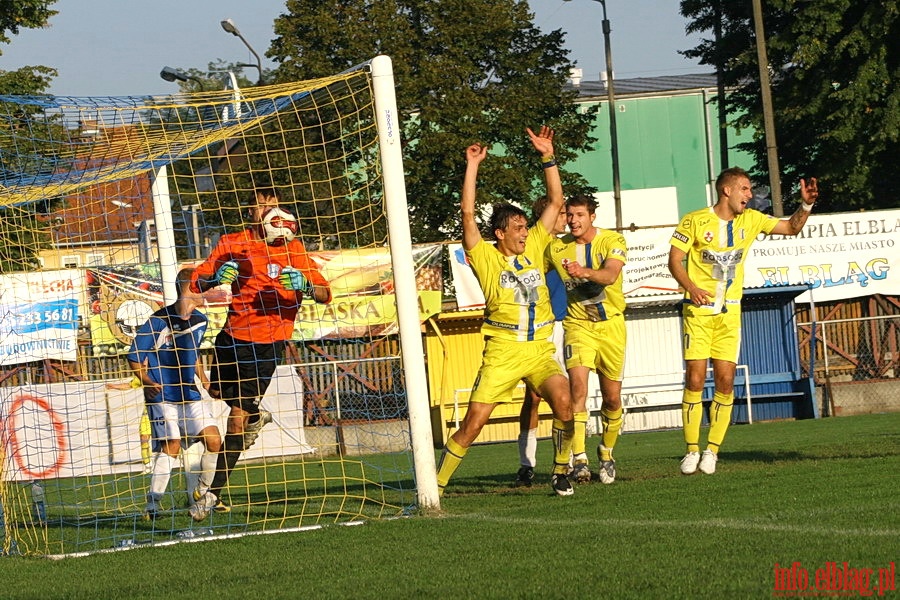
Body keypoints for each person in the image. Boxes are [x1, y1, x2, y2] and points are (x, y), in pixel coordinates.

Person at [436, 126, 576, 497]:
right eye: (516, 228)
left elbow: (556, 198)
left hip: (539, 350)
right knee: (473, 424)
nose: (524, 232)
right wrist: (472, 165)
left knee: (564, 401)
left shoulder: (535, 244)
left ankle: (561, 471)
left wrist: (548, 156)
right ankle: (435, 486)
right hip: (502, 352)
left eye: (524, 226)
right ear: (499, 234)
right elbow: (467, 214)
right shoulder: (484, 256)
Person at [667, 168, 818, 475]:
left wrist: (805, 206)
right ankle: (691, 449)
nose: (751, 196)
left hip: (730, 313)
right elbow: (674, 259)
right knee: (695, 378)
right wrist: (692, 287)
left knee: (725, 381)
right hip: (698, 312)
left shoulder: (750, 220)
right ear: (727, 191)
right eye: (746, 190)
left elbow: (790, 228)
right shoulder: (695, 220)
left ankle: (712, 451)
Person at [191, 187, 332, 514]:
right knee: (216, 393)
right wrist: (214, 277)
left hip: (268, 343)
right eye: (262, 206)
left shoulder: (293, 249)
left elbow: (326, 293)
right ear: (251, 211)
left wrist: (307, 286)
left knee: (236, 420)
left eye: (276, 206)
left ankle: (213, 493)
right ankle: (257, 414)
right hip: (231, 335)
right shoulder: (232, 242)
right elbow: (197, 282)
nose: (271, 212)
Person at [126, 267, 222, 521]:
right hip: (162, 395)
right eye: (203, 286)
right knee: (172, 445)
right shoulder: (157, 321)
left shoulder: (201, 320)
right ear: (190, 286)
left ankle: (203, 494)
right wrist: (146, 379)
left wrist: (203, 379)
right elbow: (135, 356)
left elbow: (194, 352)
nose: (207, 291)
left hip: (189, 394)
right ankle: (153, 504)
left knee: (214, 440)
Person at [549, 194, 627, 484]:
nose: (573, 220)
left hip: (611, 326)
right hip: (578, 325)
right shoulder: (557, 248)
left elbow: (610, 275)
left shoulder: (612, 241)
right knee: (577, 389)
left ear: (592, 216)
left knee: (612, 397)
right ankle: (579, 459)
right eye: (569, 215)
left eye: (580, 214)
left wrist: (584, 272)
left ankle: (606, 451)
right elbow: (531, 260)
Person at [514, 195, 567, 487]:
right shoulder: (535, 245)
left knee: (569, 393)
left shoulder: (566, 243)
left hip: (565, 324)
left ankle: (571, 460)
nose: (566, 218)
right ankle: (527, 463)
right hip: (539, 328)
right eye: (561, 213)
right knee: (533, 397)